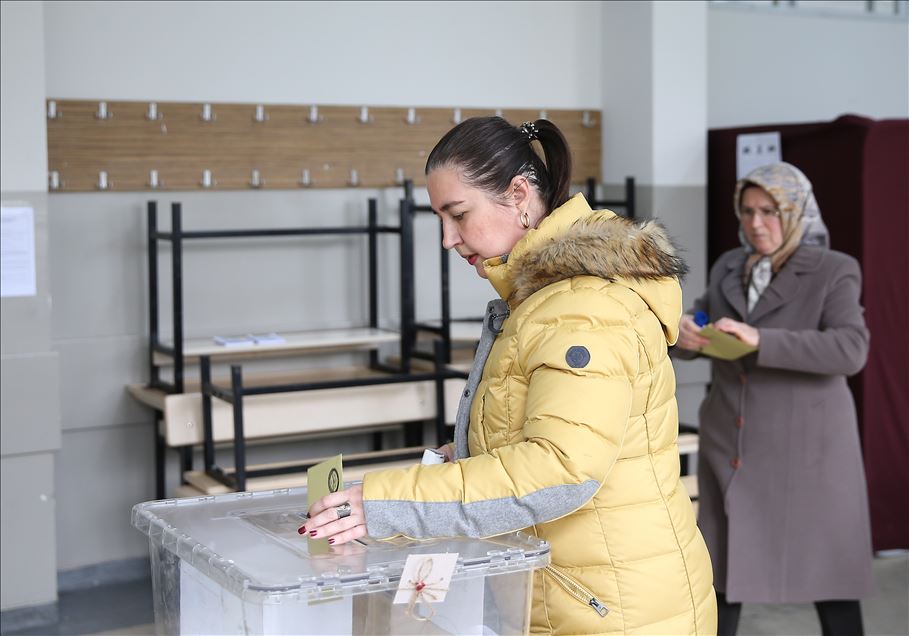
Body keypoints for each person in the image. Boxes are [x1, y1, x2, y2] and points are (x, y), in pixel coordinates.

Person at [304, 116, 717, 634]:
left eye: (458, 215)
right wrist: (470, 450)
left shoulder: (583, 309)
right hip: (582, 593)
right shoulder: (549, 299)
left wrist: (388, 503)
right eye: (440, 219)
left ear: (519, 194)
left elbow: (562, 468)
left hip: (616, 609)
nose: (447, 239)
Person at [672, 162, 873, 636]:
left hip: (810, 451)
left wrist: (762, 338)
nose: (756, 223)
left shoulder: (835, 270)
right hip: (732, 444)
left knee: (831, 576)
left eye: (770, 211)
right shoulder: (729, 266)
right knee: (721, 574)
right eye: (747, 211)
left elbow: (851, 349)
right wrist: (683, 333)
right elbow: (702, 322)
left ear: (797, 212)